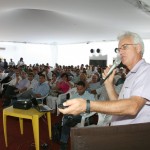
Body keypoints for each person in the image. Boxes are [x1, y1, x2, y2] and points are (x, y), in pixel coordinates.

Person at [59, 31, 150, 126]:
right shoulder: (131, 74)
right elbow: (118, 104)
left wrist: (88, 105)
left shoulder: (146, 71)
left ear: (138, 48)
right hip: (121, 132)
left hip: (133, 136)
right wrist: (108, 83)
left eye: (125, 47)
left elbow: (132, 107)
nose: (120, 52)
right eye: (118, 49)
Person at [60, 81, 95, 150]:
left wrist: (81, 109)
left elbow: (92, 107)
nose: (79, 91)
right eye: (77, 89)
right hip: (73, 113)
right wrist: (65, 105)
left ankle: (63, 143)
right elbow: (69, 102)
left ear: (84, 88)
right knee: (67, 119)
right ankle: (70, 120)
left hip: (83, 115)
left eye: (80, 89)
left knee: (66, 121)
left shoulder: (90, 96)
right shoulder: (75, 95)